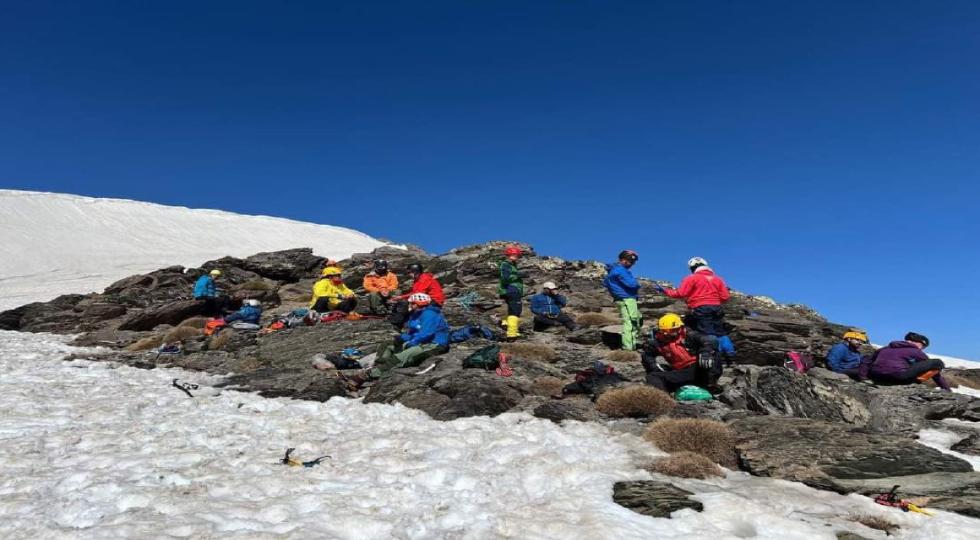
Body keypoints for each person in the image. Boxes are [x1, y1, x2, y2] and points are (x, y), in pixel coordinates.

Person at [370, 293, 450, 378]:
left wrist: (412, 342)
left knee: (400, 356)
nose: (410, 305)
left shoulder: (429, 314)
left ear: (417, 304)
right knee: (387, 345)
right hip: (420, 341)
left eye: (412, 303)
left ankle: (374, 374)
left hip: (433, 344)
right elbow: (413, 333)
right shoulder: (416, 314)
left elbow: (426, 333)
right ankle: (379, 364)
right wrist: (403, 337)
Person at [642, 313, 721, 392]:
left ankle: (710, 384)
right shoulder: (658, 342)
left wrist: (705, 352)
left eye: (674, 329)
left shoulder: (689, 335)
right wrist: (655, 368)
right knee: (653, 376)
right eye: (668, 331)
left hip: (701, 368)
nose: (672, 333)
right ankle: (664, 398)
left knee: (712, 352)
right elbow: (647, 355)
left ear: (680, 327)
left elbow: (710, 340)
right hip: (683, 372)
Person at [657, 257, 730, 337]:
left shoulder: (691, 278)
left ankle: (711, 349)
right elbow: (725, 297)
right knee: (720, 332)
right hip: (717, 308)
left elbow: (681, 293)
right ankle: (728, 349)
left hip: (701, 308)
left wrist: (665, 291)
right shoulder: (718, 279)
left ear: (692, 268)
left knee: (707, 332)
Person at [858, 332, 951, 391]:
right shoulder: (916, 352)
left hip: (876, 377)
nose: (922, 348)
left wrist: (863, 378)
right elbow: (934, 372)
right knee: (937, 363)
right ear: (914, 342)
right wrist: (946, 388)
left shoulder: (885, 348)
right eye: (922, 345)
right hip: (899, 377)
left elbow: (866, 361)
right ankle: (916, 382)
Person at [603, 250, 641, 350]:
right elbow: (632, 284)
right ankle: (629, 348)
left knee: (637, 319)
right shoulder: (620, 270)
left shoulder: (613, 270)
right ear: (624, 260)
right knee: (631, 322)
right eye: (631, 261)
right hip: (627, 299)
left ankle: (631, 343)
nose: (632, 264)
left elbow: (606, 283)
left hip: (623, 298)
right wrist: (637, 284)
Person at [389, 263, 445, 328]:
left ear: (415, 271)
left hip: (434, 301)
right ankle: (402, 322)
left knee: (404, 303)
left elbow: (418, 293)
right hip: (428, 299)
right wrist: (401, 297)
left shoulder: (425, 279)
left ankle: (396, 323)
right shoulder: (418, 279)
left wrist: (401, 297)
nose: (409, 274)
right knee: (406, 304)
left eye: (409, 272)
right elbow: (415, 292)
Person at [498, 245, 526, 339]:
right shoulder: (506, 264)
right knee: (515, 310)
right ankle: (512, 333)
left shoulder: (512, 265)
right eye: (514, 255)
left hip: (512, 289)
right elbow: (505, 278)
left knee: (513, 309)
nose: (516, 257)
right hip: (511, 289)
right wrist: (518, 275)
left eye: (517, 255)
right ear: (509, 254)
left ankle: (509, 327)